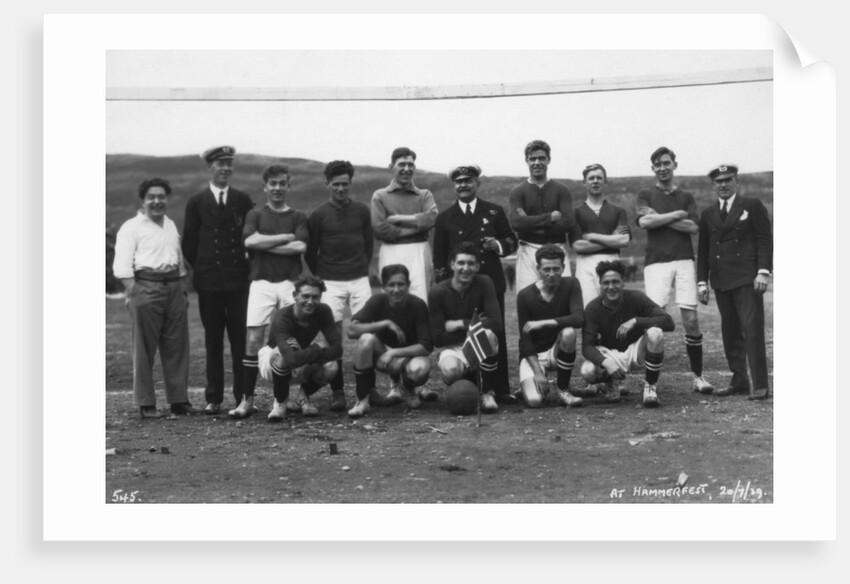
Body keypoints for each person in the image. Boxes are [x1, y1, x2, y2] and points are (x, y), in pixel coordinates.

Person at [227, 164, 309, 419]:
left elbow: (299, 247)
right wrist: (285, 237)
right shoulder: (255, 214)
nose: (277, 188)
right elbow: (250, 241)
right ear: (265, 187)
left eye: (282, 183)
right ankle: (246, 401)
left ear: (288, 185)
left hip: (289, 282)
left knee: (286, 341)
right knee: (252, 340)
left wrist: (266, 243)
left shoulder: (298, 216)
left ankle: (280, 402)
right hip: (261, 282)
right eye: (272, 183)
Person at [433, 164, 518, 404]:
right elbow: (439, 259)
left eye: (468, 181)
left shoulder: (493, 212)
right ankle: (467, 387)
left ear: (477, 183)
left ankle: (497, 389)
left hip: (489, 283)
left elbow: (512, 241)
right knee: (462, 335)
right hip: (458, 287)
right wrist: (445, 288)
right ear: (454, 185)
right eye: (459, 181)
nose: (463, 185)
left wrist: (498, 245)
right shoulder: (445, 218)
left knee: (493, 334)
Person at [182, 145, 255, 414]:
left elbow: (250, 237)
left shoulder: (242, 199)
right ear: (209, 168)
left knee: (239, 341)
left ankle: (241, 397)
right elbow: (189, 243)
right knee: (213, 340)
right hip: (209, 282)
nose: (225, 168)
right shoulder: (197, 202)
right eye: (220, 164)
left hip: (238, 281)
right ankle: (213, 397)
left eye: (229, 164)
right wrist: (203, 269)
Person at [635, 146, 714, 395]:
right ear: (652, 168)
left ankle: (698, 376)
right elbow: (645, 222)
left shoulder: (686, 196)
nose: (662, 168)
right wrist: (675, 215)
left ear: (674, 165)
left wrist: (662, 217)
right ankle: (650, 384)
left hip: (683, 260)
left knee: (690, 318)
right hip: (656, 262)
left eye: (666, 163)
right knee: (655, 323)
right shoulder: (645, 193)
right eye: (657, 164)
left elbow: (693, 227)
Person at [113, 177, 194, 418]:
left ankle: (179, 401)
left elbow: (178, 259)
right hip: (146, 288)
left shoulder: (169, 224)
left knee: (177, 346)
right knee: (144, 348)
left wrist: (182, 289)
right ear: (143, 200)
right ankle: (146, 404)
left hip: (174, 289)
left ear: (167, 199)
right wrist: (134, 291)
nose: (157, 201)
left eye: (161, 197)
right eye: (152, 197)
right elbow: (122, 265)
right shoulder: (131, 227)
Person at [697, 165, 773, 400]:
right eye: (718, 181)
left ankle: (759, 385)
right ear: (712, 185)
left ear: (736, 181)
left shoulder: (751, 206)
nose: (723, 184)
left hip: (747, 279)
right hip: (721, 280)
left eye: (727, 180)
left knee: (752, 331)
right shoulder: (708, 213)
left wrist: (763, 272)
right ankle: (739, 380)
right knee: (730, 332)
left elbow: (764, 240)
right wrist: (702, 281)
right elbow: (704, 250)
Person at [305, 160, 374, 412]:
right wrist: (323, 276)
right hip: (330, 281)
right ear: (327, 184)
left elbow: (368, 245)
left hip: (358, 279)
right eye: (336, 184)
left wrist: (359, 269)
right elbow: (311, 253)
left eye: (345, 184)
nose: (341, 188)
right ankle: (338, 393)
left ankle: (369, 389)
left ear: (350, 183)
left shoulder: (362, 210)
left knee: (365, 334)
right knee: (334, 337)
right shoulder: (318, 214)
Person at [581, 260, 675, 408]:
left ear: (623, 282)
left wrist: (636, 321)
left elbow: (668, 322)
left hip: (634, 351)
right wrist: (607, 363)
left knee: (655, 333)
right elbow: (587, 347)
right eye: (606, 283)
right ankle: (610, 383)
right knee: (587, 371)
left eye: (615, 282)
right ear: (600, 284)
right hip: (609, 355)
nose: (611, 287)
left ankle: (650, 387)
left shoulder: (636, 297)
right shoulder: (593, 307)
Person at [346, 264, 433, 417]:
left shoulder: (418, 304)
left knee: (420, 370)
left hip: (409, 357)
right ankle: (362, 400)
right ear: (383, 287)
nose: (396, 289)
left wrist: (393, 352)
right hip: (383, 355)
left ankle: (408, 386)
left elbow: (426, 346)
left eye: (401, 284)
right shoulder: (378, 300)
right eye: (391, 285)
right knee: (366, 339)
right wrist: (385, 323)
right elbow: (352, 331)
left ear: (408, 285)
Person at [428, 242, 503, 413]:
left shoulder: (484, 283)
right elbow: (437, 338)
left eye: (470, 263)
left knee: (489, 334)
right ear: (452, 264)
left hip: (477, 341)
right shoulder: (437, 292)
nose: (465, 268)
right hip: (452, 348)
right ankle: (460, 390)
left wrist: (460, 323)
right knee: (451, 369)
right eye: (461, 263)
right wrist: (476, 323)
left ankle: (487, 392)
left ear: (477, 266)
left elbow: (497, 323)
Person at [258, 275, 343, 421]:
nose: (310, 302)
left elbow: (337, 349)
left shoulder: (323, 311)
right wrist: (316, 348)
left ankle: (303, 397)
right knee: (282, 354)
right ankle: (280, 402)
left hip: (301, 356)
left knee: (332, 366)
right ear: (295, 296)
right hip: (272, 361)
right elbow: (290, 359)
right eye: (305, 296)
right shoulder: (283, 316)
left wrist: (307, 354)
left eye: (315, 297)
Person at [516, 244, 584, 408]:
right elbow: (525, 341)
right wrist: (538, 373)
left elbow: (579, 319)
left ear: (563, 267)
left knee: (568, 333)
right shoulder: (525, 295)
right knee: (534, 401)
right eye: (546, 269)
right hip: (535, 356)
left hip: (556, 350)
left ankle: (563, 389)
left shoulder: (571, 284)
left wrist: (544, 322)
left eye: (556, 269)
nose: (551, 274)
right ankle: (534, 381)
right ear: (538, 268)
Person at [508, 139, 576, 294]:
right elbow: (516, 224)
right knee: (527, 297)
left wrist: (529, 223)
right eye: (532, 159)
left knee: (561, 298)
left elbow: (568, 224)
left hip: (557, 249)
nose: (537, 162)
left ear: (548, 160)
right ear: (527, 161)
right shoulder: (518, 191)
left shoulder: (561, 190)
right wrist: (550, 218)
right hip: (528, 250)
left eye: (541, 158)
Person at [371, 146, 438, 304]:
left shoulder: (424, 195)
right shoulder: (380, 196)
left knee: (421, 298)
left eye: (410, 165)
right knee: (391, 298)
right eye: (402, 164)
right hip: (390, 251)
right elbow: (380, 229)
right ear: (391, 167)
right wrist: (418, 229)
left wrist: (400, 219)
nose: (407, 169)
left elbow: (433, 218)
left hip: (419, 251)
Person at [570, 163, 631, 307]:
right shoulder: (576, 212)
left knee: (613, 307)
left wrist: (592, 236)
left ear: (605, 181)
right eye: (591, 178)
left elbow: (623, 240)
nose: (595, 181)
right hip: (585, 264)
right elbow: (578, 246)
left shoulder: (618, 211)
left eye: (599, 178)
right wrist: (610, 239)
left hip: (612, 262)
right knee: (588, 308)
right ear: (584, 182)